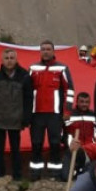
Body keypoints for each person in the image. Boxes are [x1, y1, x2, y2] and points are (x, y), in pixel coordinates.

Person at [29, 40, 75, 181]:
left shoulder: (62, 68)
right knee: (36, 143)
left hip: (55, 114)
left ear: (53, 51)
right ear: (40, 51)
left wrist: (67, 111)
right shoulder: (33, 68)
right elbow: (27, 91)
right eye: (43, 49)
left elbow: (70, 90)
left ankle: (55, 173)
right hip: (36, 114)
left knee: (55, 143)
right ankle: (35, 173)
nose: (46, 51)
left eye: (48, 49)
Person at [0, 48, 32, 180]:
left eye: (12, 58)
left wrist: (26, 118)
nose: (9, 61)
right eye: (7, 58)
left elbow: (29, 99)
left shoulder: (25, 76)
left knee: (15, 150)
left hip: (16, 120)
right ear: (2, 60)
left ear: (16, 59)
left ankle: (17, 176)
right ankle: (0, 175)